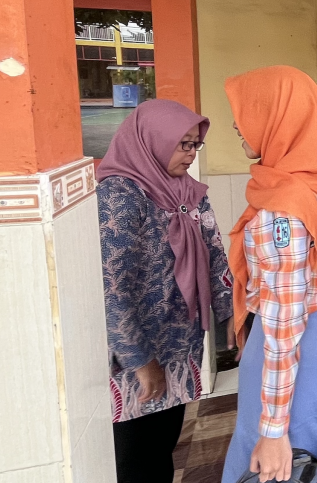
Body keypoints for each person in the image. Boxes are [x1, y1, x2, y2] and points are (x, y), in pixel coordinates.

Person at [221, 66, 317, 483]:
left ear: (277, 116)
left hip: (294, 347)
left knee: (278, 465)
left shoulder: (283, 206)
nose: (236, 124)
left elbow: (285, 322)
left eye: (246, 112)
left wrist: (272, 429)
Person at [97, 99, 234, 483]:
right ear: (152, 140)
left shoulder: (190, 191)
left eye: (195, 144)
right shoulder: (119, 196)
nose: (191, 153)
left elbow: (214, 254)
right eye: (182, 144)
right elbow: (111, 288)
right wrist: (141, 361)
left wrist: (231, 313)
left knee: (162, 447)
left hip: (180, 342)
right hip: (135, 355)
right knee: (134, 458)